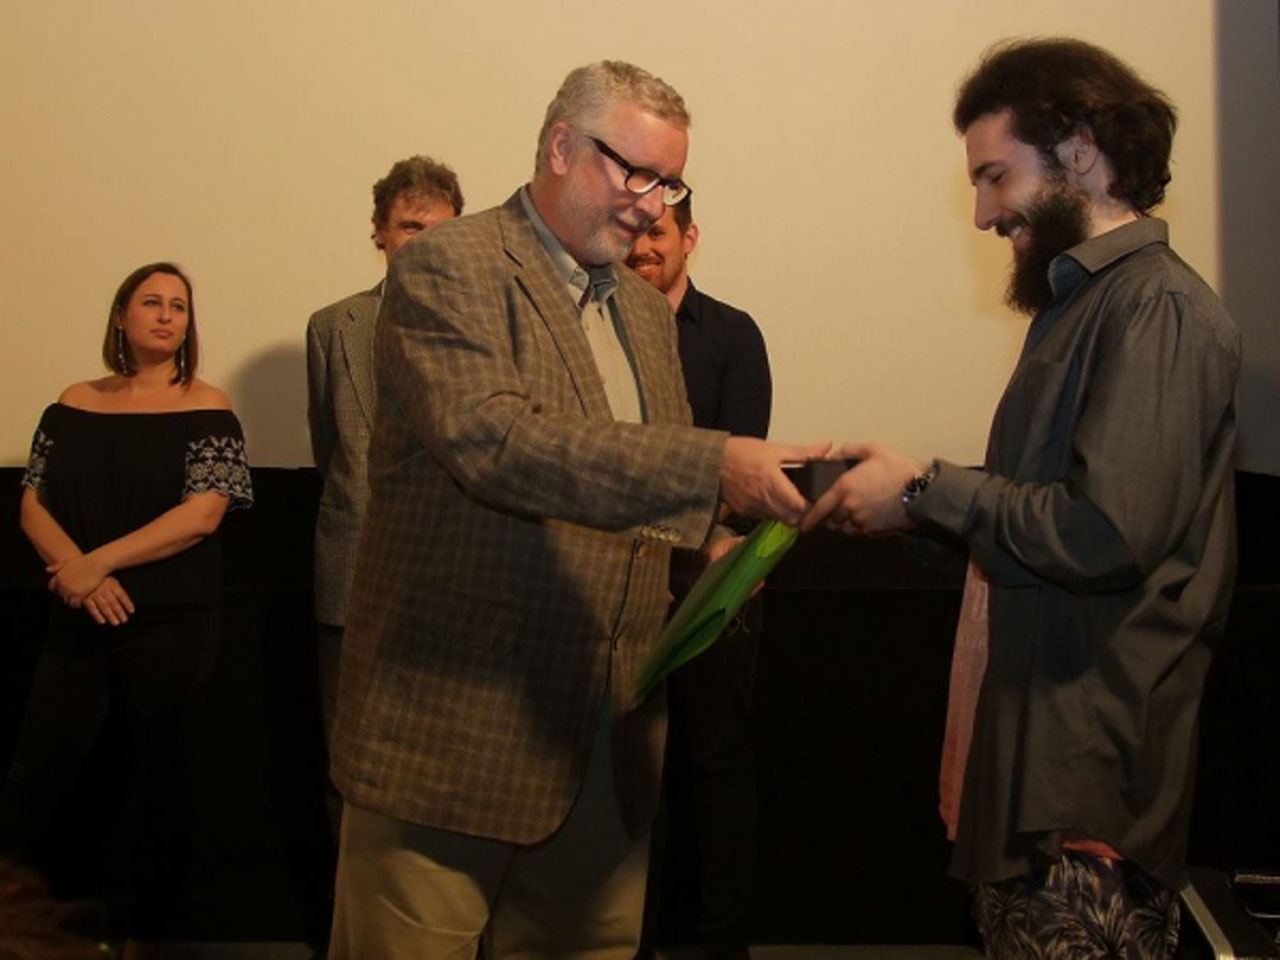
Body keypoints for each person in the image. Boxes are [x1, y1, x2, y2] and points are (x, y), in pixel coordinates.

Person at [328, 60, 822, 959]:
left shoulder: (646, 311)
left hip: (607, 748)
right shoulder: (448, 265)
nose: (651, 203)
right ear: (561, 146)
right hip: (455, 734)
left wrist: (710, 550)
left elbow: (635, 490)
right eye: (635, 172)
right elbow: (497, 443)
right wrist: (714, 466)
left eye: (669, 183)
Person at [803, 39, 1240, 959]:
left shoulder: (1155, 308)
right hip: (1039, 792)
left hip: (1085, 808)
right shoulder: (1082, 308)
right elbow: (1034, 520)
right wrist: (908, 503)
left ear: (1079, 147)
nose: (981, 213)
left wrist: (925, 487)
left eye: (995, 176)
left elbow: (1104, 532)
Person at [1, 263, 253, 958]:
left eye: (179, 306)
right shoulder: (72, 402)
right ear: (121, 315)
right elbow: (32, 503)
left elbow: (202, 516)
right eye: (151, 302)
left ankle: (152, 935)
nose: (166, 316)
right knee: (40, 773)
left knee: (161, 779)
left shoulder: (208, 406)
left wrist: (97, 564)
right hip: (78, 614)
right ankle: (32, 929)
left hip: (173, 620)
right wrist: (79, 576)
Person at [627, 197, 770, 959]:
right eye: (633, 232)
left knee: (718, 767)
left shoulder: (732, 334)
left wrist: (699, 550)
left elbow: (741, 473)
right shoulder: (594, 332)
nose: (642, 247)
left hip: (714, 583)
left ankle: (723, 947)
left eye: (657, 232)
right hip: (619, 586)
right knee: (629, 778)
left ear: (689, 237)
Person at [306, 155, 463, 836]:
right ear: (379, 230)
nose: (423, 244)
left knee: (439, 761)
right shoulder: (331, 327)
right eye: (410, 227)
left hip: (449, 575)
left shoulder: (482, 329)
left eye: (440, 230)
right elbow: (330, 448)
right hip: (352, 568)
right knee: (344, 757)